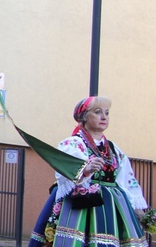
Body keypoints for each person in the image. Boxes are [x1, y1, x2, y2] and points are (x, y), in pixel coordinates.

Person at [29, 96, 149, 246]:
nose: (104, 116)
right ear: (84, 116)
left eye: (107, 113)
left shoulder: (114, 149)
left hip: (112, 205)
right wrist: (85, 170)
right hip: (81, 204)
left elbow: (126, 180)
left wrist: (139, 211)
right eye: (98, 112)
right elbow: (64, 171)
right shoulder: (73, 144)